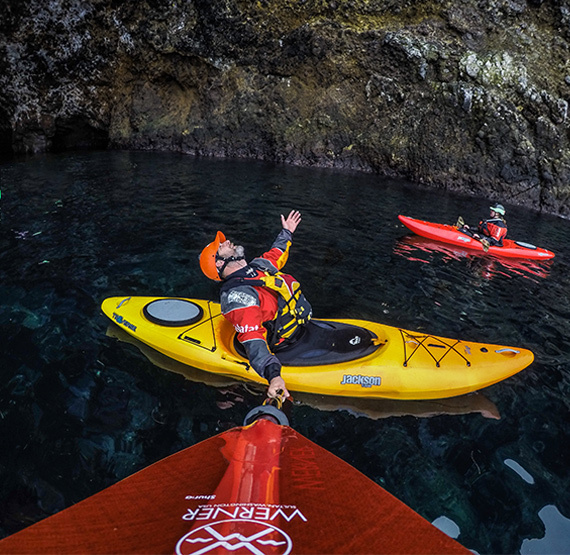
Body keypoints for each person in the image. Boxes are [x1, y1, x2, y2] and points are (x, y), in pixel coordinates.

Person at [199, 210, 311, 399]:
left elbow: (277, 253)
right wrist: (274, 376)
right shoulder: (238, 297)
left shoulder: (257, 267)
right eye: (221, 246)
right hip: (283, 344)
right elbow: (253, 339)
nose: (226, 241)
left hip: (298, 326)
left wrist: (287, 232)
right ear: (219, 263)